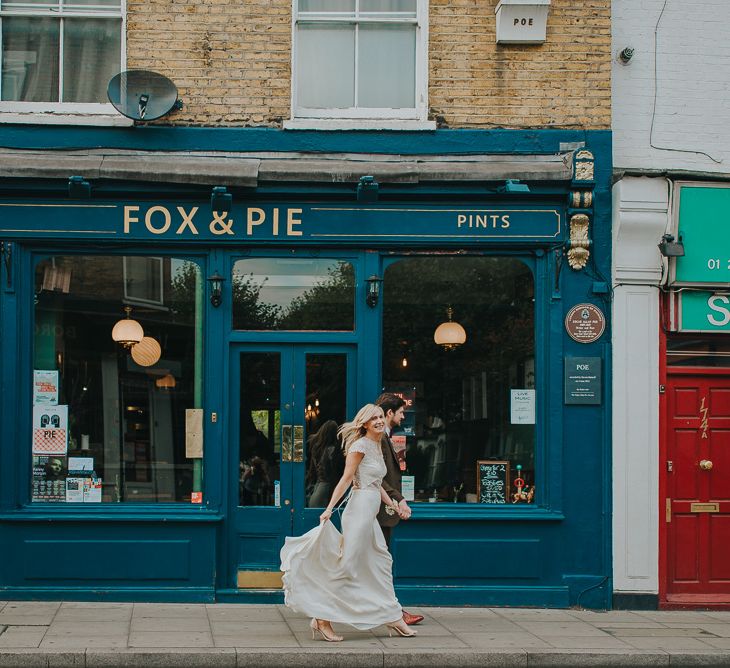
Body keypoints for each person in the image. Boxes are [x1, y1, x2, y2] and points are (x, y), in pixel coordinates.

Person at [280, 404, 416, 642]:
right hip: (360, 512)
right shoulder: (360, 445)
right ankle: (322, 617)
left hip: (370, 511)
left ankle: (392, 616)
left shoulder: (377, 444)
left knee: (380, 562)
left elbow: (376, 483)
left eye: (380, 416)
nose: (378, 421)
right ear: (363, 423)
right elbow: (345, 480)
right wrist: (329, 509)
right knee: (350, 566)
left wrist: (394, 505)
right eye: (373, 418)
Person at [375, 392, 424, 626]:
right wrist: (398, 499)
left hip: (382, 510)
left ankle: (392, 612)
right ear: (389, 413)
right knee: (379, 564)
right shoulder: (378, 438)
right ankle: (394, 613)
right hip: (378, 512)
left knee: (378, 564)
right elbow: (378, 477)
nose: (404, 416)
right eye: (401, 412)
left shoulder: (385, 436)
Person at [306, 420, 345, 508]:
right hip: (328, 488)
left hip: (317, 487)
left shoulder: (316, 448)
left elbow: (312, 471)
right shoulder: (332, 450)